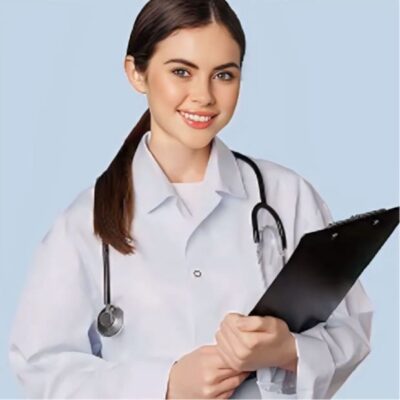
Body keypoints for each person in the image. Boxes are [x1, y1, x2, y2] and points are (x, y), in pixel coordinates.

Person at [8, 0, 373, 398]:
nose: (203, 96)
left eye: (224, 75)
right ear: (137, 72)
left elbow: (351, 330)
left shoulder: (287, 196)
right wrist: (164, 385)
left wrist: (288, 350)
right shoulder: (83, 223)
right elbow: (41, 368)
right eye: (182, 71)